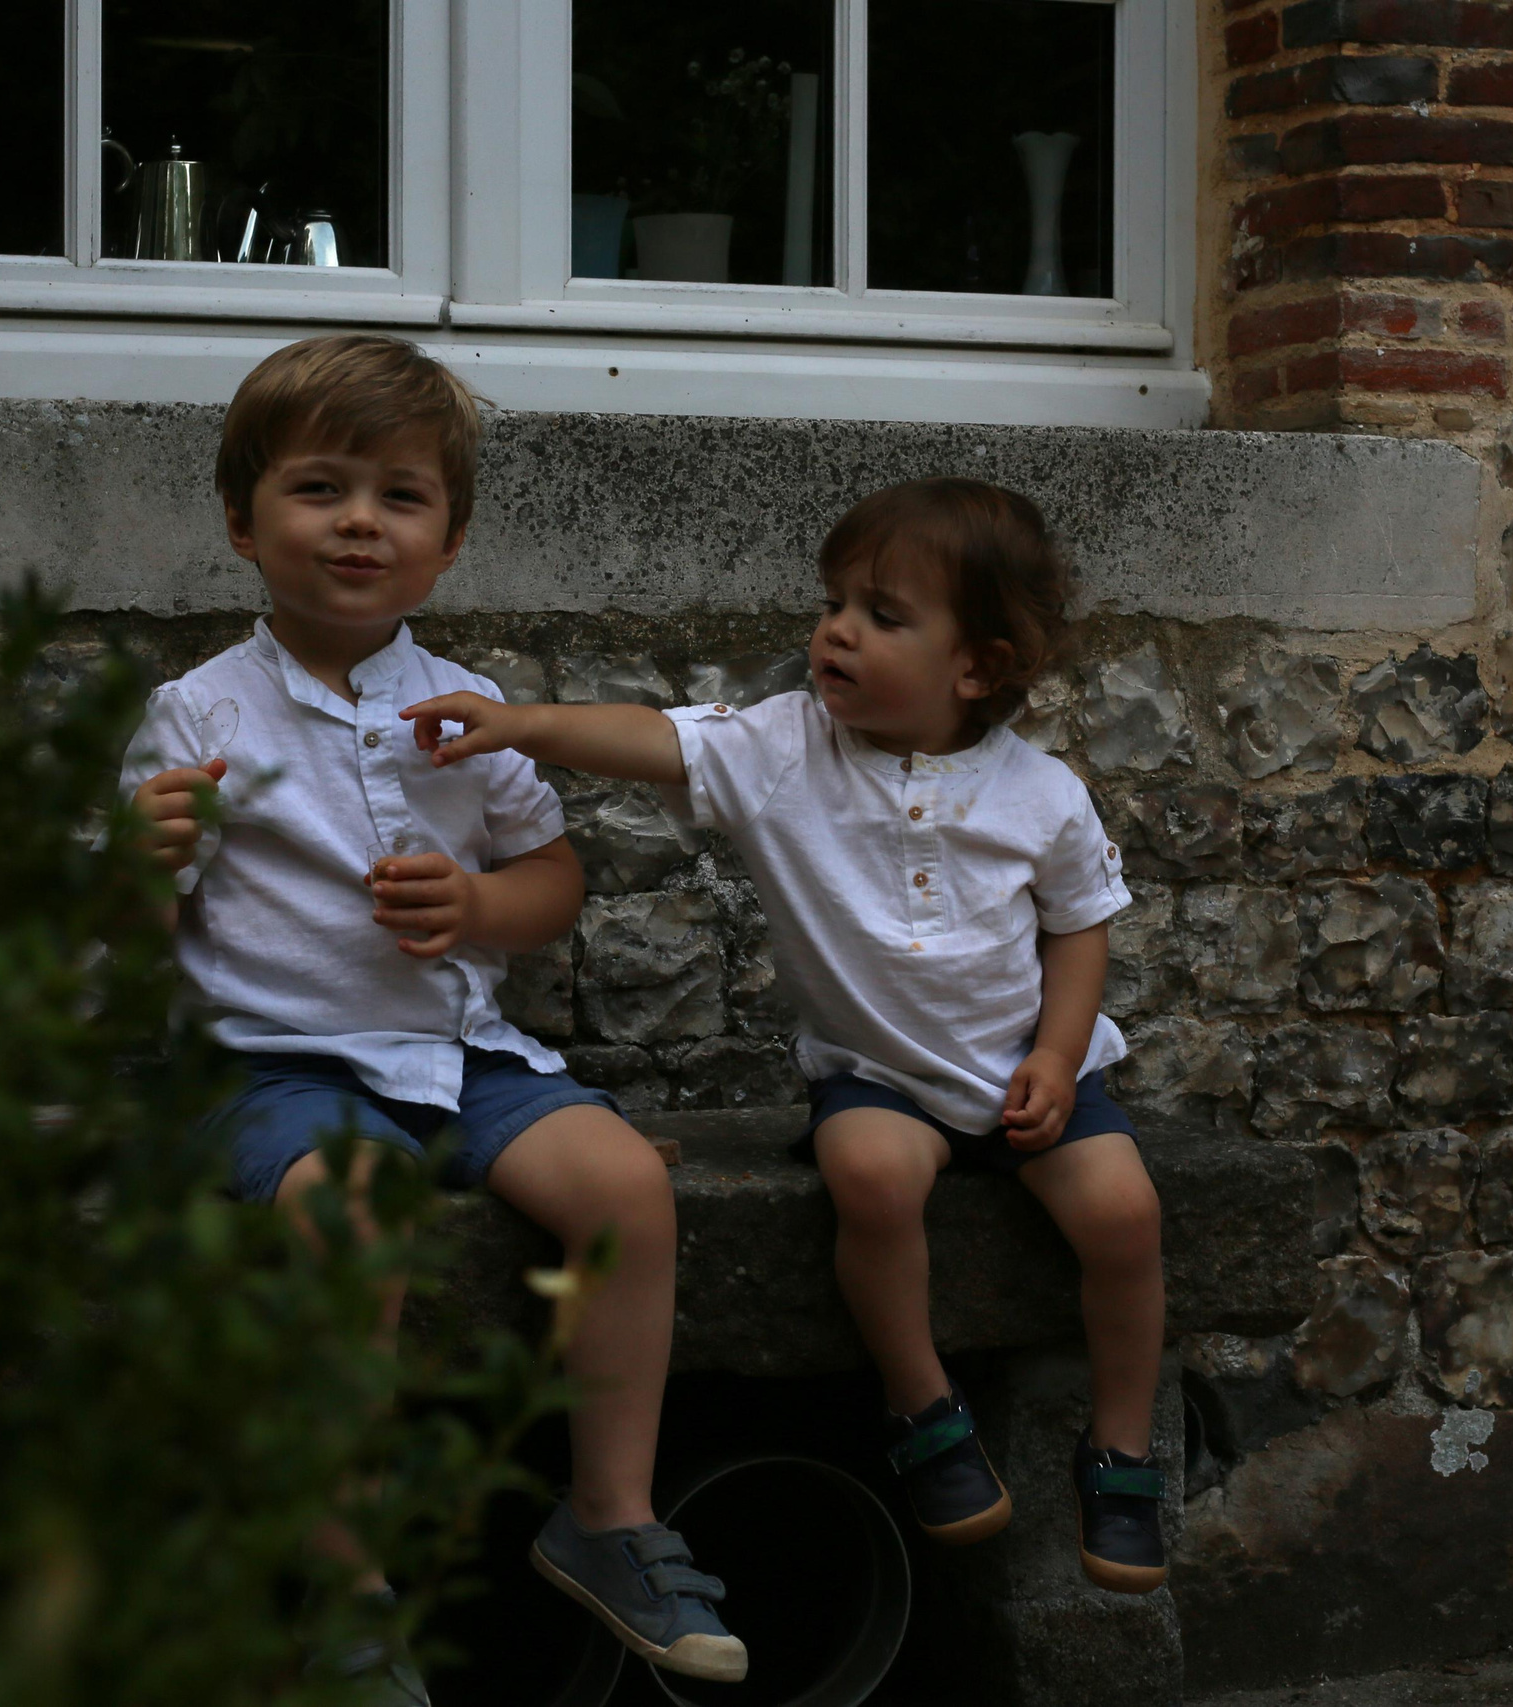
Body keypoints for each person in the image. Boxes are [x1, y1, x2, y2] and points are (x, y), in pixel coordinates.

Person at [399, 477, 1170, 1594]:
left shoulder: (1041, 794)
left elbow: (1079, 935)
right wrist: (518, 724)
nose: (837, 630)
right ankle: (924, 1407)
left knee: (1124, 1214)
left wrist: (1055, 1058)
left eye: (882, 615)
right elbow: (652, 739)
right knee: (868, 1176)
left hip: (1027, 1076)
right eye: (834, 603)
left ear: (976, 668)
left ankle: (1123, 1449)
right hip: (880, 1081)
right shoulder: (781, 748)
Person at [119, 334, 745, 1699]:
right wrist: (137, 860)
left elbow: (553, 879)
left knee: (629, 1186)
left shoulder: (464, 711)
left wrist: (476, 909)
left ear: (448, 541)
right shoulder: (198, 712)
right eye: (321, 487)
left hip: (461, 1054)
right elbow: (138, 939)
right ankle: (344, 1586)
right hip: (278, 1063)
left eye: (400, 496)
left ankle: (609, 1512)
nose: (360, 521)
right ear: (242, 519)